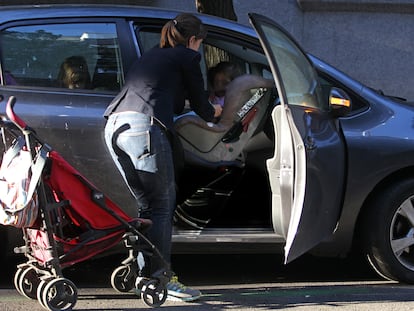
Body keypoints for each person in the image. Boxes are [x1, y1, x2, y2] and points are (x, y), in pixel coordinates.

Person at [103, 13, 222, 302]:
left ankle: (145, 276)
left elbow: (165, 95)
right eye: (199, 45)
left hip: (114, 127)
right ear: (194, 40)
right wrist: (215, 112)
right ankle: (163, 279)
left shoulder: (156, 55)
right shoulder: (187, 57)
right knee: (162, 206)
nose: (198, 50)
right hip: (144, 129)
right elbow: (199, 104)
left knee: (147, 206)